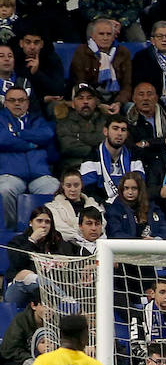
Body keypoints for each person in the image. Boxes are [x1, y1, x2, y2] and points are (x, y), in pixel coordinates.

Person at [0, 85, 59, 227]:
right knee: (5, 190)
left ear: (27, 102)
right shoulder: (1, 119)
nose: (17, 103)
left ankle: (47, 231)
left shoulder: (37, 120)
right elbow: (2, 139)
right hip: (11, 174)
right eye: (12, 100)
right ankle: (11, 230)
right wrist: (32, 144)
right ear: (5, 103)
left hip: (39, 174)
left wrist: (19, 133)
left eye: (21, 100)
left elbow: (47, 134)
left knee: (56, 189)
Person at [4, 206, 73, 306]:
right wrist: (32, 241)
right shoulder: (18, 241)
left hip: (46, 294)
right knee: (26, 274)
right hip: (18, 292)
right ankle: (67, 302)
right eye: (39, 221)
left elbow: (70, 265)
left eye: (47, 222)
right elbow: (18, 263)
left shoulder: (58, 243)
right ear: (31, 223)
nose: (43, 225)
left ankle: (63, 301)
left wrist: (64, 262)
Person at [69, 19, 132, 113]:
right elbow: (80, 82)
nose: (105, 38)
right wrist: (98, 104)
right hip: (91, 100)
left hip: (117, 99)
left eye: (109, 34)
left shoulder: (123, 52)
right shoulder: (81, 51)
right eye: (101, 34)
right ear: (93, 36)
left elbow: (127, 85)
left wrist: (119, 103)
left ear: (114, 36)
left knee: (132, 108)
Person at [80, 116, 144, 203]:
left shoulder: (134, 156)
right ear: (105, 131)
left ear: (127, 134)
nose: (119, 133)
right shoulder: (92, 157)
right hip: (102, 206)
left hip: (130, 205)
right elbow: (89, 191)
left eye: (123, 130)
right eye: (115, 129)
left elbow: (140, 185)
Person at [105, 172, 166, 240]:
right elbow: (115, 234)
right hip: (127, 249)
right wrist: (140, 242)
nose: (130, 192)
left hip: (152, 248)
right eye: (126, 188)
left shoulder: (152, 207)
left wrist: (156, 239)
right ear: (121, 189)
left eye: (134, 188)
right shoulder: (115, 209)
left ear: (140, 189)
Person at [125, 81, 166, 170]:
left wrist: (147, 143)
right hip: (140, 164)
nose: (146, 98)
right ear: (134, 98)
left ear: (156, 98)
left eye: (149, 94)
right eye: (141, 94)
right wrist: (160, 142)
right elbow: (131, 146)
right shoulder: (128, 120)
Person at [49, 168, 103, 243]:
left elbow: (102, 226)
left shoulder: (94, 205)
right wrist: (84, 234)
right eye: (68, 186)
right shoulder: (53, 208)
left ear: (82, 185)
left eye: (76, 185)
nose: (73, 189)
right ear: (63, 186)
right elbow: (59, 230)